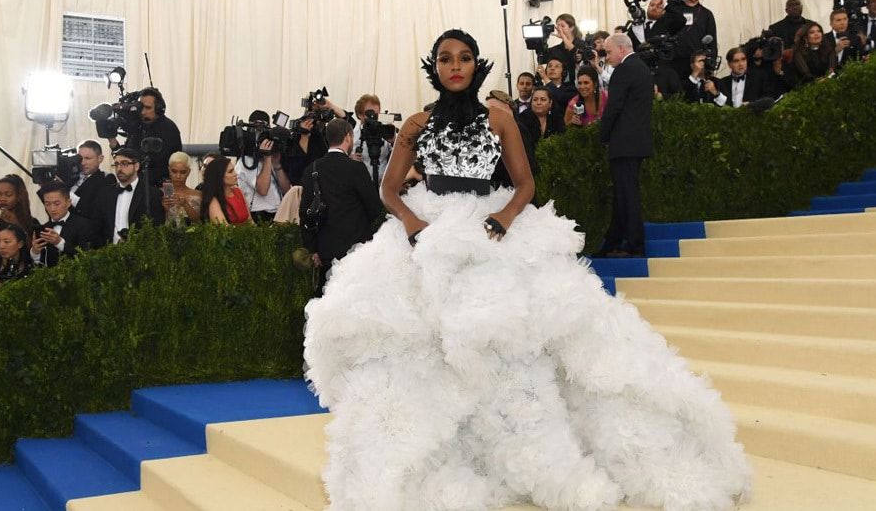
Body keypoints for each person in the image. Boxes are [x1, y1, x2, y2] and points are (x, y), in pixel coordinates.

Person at [303, 28, 751, 511]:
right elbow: (389, 190)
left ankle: (537, 450)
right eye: (446, 58)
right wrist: (413, 224)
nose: (456, 66)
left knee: (520, 337)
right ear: (434, 67)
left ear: (477, 65)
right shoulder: (416, 123)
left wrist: (506, 217)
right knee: (421, 341)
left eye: (465, 57)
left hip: (492, 227)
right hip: (430, 228)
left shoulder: (500, 119)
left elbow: (525, 184)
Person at [299, 118, 382, 295]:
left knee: (329, 301)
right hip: (358, 250)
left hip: (326, 249)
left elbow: (305, 215)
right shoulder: (356, 169)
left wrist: (313, 249)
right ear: (348, 137)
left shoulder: (311, 169)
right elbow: (375, 209)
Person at [599, 33, 654, 258]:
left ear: (622, 49)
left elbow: (613, 108)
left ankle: (634, 245)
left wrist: (603, 135)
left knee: (627, 195)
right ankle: (614, 241)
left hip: (624, 143)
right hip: (636, 142)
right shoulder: (642, 68)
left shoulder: (624, 70)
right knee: (624, 195)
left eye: (609, 52)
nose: (607, 57)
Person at [106, 87, 182, 186]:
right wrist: (111, 139)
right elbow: (126, 156)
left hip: (161, 188)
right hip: (137, 185)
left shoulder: (168, 128)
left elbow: (151, 162)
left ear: (159, 109)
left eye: (148, 108)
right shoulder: (139, 126)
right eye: (141, 107)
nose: (142, 112)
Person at [93, 147, 165, 244]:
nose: (119, 168)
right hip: (109, 253)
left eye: (124, 164)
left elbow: (156, 227)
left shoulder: (151, 194)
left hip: (139, 252)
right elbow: (97, 226)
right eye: (117, 164)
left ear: (136, 166)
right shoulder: (105, 193)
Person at [31, 182, 98, 267]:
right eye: (47, 204)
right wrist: (35, 253)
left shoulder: (84, 225)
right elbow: (42, 265)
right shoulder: (44, 228)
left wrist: (60, 243)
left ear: (69, 202)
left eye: (57, 203)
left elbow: (87, 259)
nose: (52, 209)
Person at [0, 174, 39, 268]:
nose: (2, 199)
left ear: (19, 196)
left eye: (8, 195)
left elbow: (35, 255)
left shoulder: (32, 223)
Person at [672, 0, 717, 79]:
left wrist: (710, 68)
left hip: (696, 64)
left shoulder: (707, 14)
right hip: (674, 62)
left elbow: (712, 42)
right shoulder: (674, 9)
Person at [351, 94, 394, 185]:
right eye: (370, 114)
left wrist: (394, 141)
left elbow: (400, 154)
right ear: (360, 115)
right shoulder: (352, 136)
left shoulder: (385, 130)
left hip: (384, 185)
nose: (373, 118)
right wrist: (349, 158)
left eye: (376, 114)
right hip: (361, 186)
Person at [70, 139, 116, 219]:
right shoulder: (70, 177)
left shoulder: (107, 179)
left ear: (100, 158)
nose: (83, 163)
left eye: (87, 158)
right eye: (80, 158)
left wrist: (65, 193)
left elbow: (94, 211)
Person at [199, 156, 251, 225]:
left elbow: (250, 221)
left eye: (234, 170)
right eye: (230, 171)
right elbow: (225, 230)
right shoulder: (213, 200)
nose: (235, 174)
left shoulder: (238, 191)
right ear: (219, 176)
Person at [787, 22, 836, 87]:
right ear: (805, 37)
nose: (816, 34)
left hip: (828, 84)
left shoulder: (829, 49)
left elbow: (832, 70)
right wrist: (817, 81)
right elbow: (806, 74)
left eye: (819, 31)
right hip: (807, 87)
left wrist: (828, 78)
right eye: (812, 32)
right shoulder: (798, 52)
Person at [161, 151, 202, 225]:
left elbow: (200, 222)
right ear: (169, 170)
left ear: (188, 172)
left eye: (183, 172)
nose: (178, 176)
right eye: (174, 171)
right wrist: (163, 209)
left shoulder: (198, 195)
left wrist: (185, 204)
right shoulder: (159, 194)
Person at [547, 13, 582, 83]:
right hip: (560, 86)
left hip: (578, 84)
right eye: (558, 26)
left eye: (562, 26)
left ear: (571, 28)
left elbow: (575, 52)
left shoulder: (582, 45)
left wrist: (564, 37)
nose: (559, 29)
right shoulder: (555, 49)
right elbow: (543, 58)